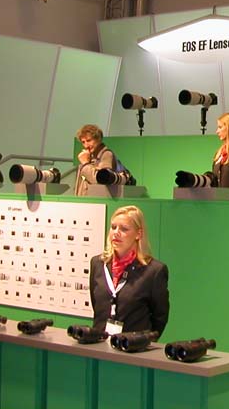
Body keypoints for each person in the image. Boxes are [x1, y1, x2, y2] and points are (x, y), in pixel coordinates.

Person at [89, 205, 169, 336]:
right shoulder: (97, 264)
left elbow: (160, 318)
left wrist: (143, 340)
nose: (116, 233)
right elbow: (96, 305)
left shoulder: (154, 271)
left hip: (133, 345)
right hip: (99, 342)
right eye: (113, 227)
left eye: (124, 229)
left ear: (138, 234)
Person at [75, 124, 115, 196]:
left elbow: (100, 180)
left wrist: (85, 163)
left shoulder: (106, 155)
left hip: (98, 200)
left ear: (98, 139)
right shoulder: (88, 156)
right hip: (84, 200)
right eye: (83, 142)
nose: (86, 145)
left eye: (89, 140)